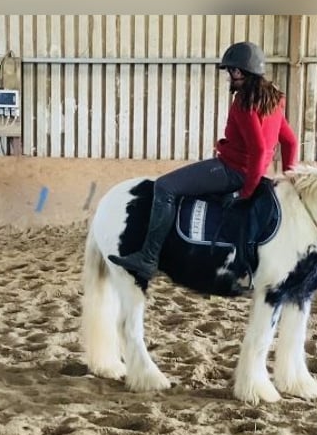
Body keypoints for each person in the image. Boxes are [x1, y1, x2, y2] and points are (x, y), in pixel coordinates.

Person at [108, 41, 298, 281]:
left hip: (232, 171)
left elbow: (259, 149)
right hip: (254, 172)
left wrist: (247, 191)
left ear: (239, 72)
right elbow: (290, 141)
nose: (229, 76)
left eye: (230, 71)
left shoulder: (243, 102)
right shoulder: (274, 100)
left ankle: (147, 258)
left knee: (165, 187)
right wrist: (290, 177)